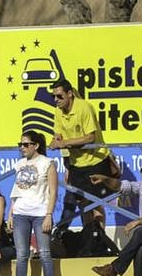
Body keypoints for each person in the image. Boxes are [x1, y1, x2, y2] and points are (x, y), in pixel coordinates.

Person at [49, 79, 114, 235]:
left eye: (59, 96)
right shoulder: (58, 111)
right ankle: (89, 237)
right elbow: (58, 136)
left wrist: (65, 142)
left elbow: (90, 137)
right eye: (54, 97)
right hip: (76, 163)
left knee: (96, 204)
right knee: (83, 204)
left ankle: (100, 239)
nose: (56, 100)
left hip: (96, 161)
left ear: (70, 94)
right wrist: (56, 141)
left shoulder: (84, 107)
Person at [6, 131, 58, 276]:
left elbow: (53, 191)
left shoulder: (47, 163)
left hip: (40, 213)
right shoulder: (19, 164)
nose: (22, 148)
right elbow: (17, 190)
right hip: (20, 213)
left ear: (35, 145)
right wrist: (10, 213)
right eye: (20, 144)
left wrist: (49, 215)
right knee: (21, 255)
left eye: (26, 144)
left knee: (44, 253)